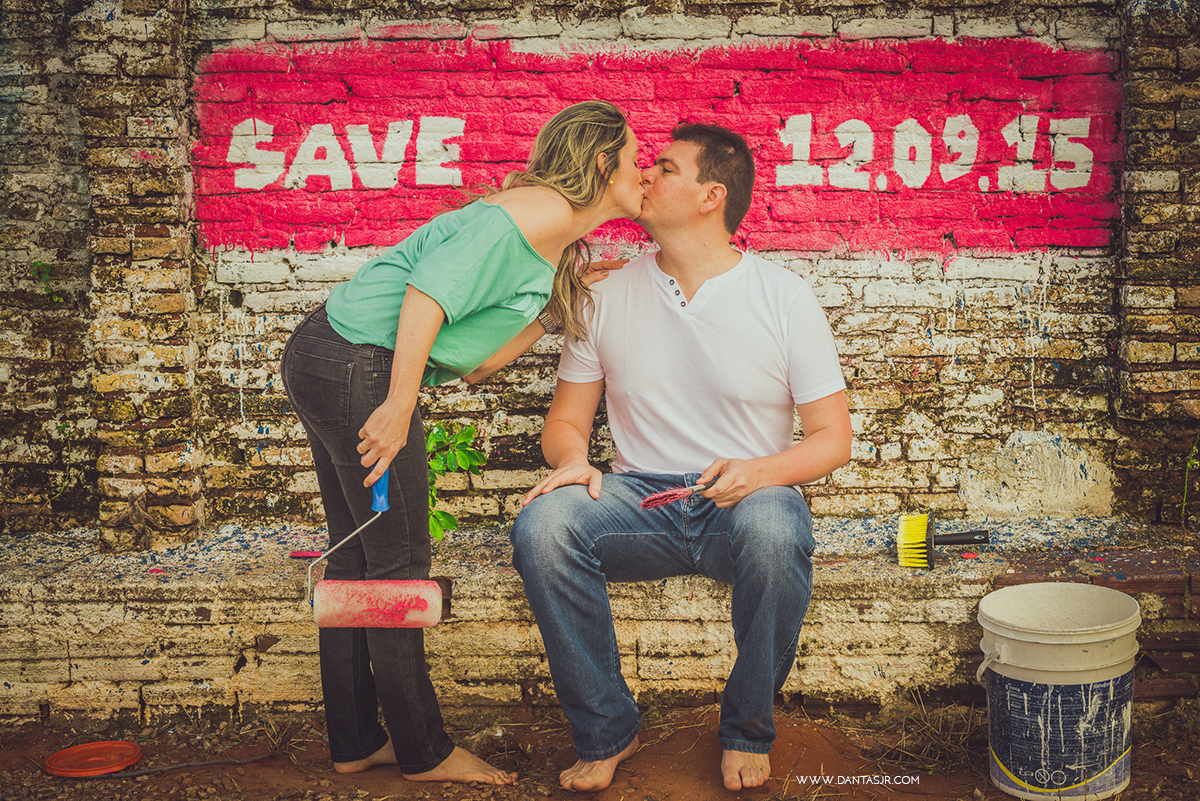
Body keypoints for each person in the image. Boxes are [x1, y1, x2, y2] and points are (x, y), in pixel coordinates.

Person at [280, 100, 643, 785]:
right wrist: (396, 402)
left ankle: (356, 740)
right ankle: (424, 751)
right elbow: (426, 295)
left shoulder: (554, 237)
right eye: (634, 155)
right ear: (602, 163)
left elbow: (477, 364)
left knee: (361, 556)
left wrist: (553, 313)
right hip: (361, 364)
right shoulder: (536, 213)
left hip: (336, 356)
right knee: (398, 561)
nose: (642, 167)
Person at [510, 123, 853, 793]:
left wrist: (758, 471)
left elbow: (831, 438)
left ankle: (747, 729)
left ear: (709, 195)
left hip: (747, 497)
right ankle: (608, 727)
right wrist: (574, 458)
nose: (645, 177)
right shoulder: (604, 292)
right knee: (543, 527)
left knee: (777, 527)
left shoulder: (783, 297)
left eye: (664, 168)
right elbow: (567, 419)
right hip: (641, 501)